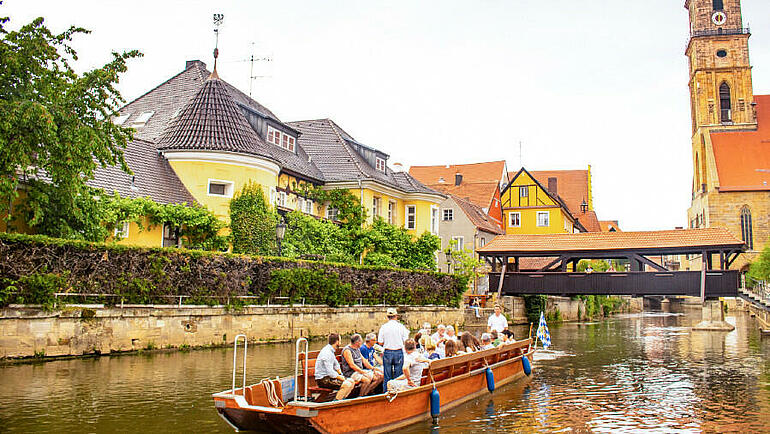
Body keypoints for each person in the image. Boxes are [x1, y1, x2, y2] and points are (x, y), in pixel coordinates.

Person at [314, 333, 355, 400]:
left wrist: (340, 374)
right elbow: (330, 372)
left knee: (351, 382)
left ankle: (342, 399)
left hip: (329, 377)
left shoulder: (331, 351)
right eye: (340, 341)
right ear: (337, 342)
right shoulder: (327, 353)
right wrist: (342, 378)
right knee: (347, 384)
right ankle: (336, 402)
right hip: (323, 380)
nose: (341, 343)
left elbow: (336, 364)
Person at [377, 307, 409, 387]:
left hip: (387, 351)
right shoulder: (401, 327)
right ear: (396, 316)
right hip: (398, 351)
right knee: (398, 375)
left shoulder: (383, 327)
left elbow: (380, 342)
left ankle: (386, 393)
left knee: (387, 375)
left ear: (387, 317)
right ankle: (397, 392)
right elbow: (406, 340)